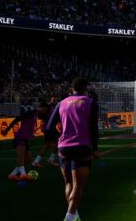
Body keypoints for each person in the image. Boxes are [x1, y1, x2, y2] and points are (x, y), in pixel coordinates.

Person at [45, 78, 100, 221]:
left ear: (72, 89)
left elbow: (49, 129)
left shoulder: (61, 103)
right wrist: (95, 148)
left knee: (68, 183)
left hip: (63, 147)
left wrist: (61, 136)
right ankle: (69, 217)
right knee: (78, 185)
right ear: (85, 88)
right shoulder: (90, 102)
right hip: (82, 146)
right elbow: (94, 127)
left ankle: (75, 215)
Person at [2, 100, 39, 181]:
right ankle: (23, 174)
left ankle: (12, 174)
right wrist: (7, 129)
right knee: (21, 157)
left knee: (28, 159)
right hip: (20, 138)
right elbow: (16, 119)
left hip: (25, 139)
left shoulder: (33, 114)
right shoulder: (27, 115)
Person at [32, 100, 60, 168]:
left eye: (41, 107)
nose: (41, 109)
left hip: (51, 129)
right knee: (48, 145)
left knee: (57, 144)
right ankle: (36, 161)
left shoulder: (48, 110)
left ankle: (50, 159)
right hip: (50, 129)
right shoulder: (47, 111)